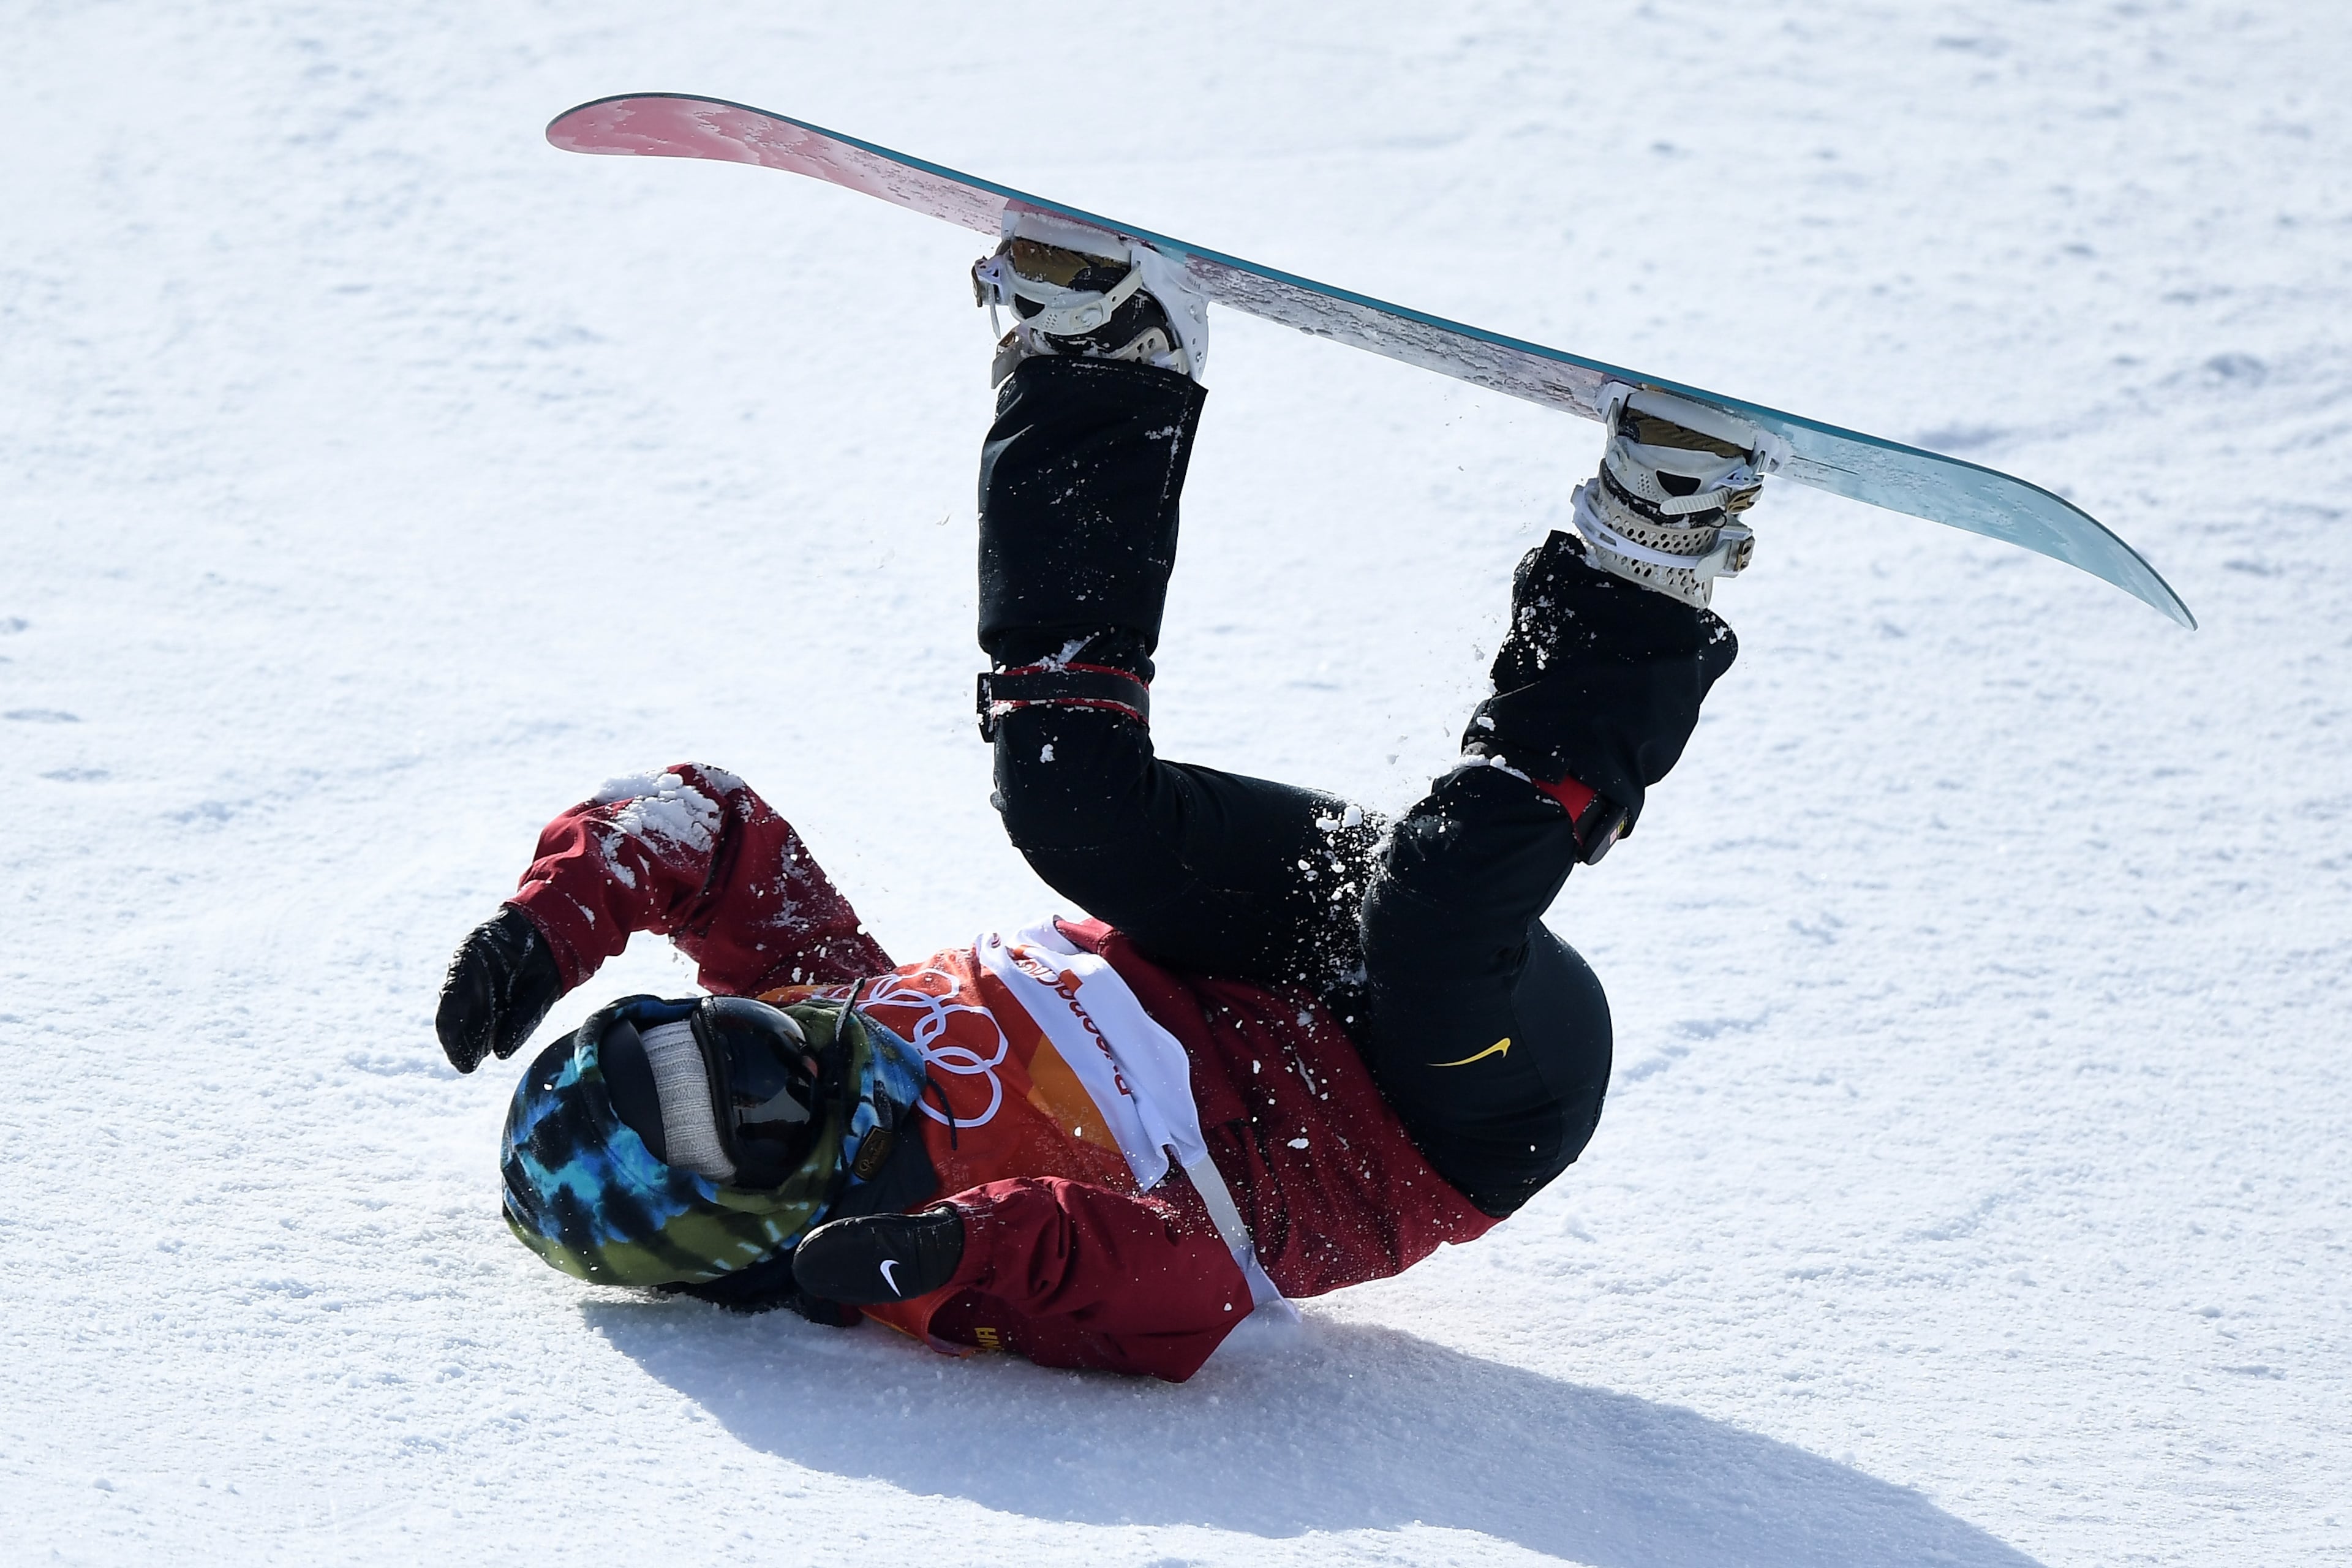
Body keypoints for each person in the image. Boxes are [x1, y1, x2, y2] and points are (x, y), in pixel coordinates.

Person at [437, 222, 1763, 1382]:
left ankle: (1105, 359)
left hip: (1277, 949)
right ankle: (1647, 565)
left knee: (1065, 804)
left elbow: (711, 828)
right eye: (728, 1113)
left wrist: (549, 925)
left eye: (703, 1029)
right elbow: (1182, 1283)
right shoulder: (921, 1264)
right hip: (1445, 1106)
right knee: (1432, 908)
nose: (762, 1056)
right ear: (742, 1233)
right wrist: (958, 1241)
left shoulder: (821, 1015)